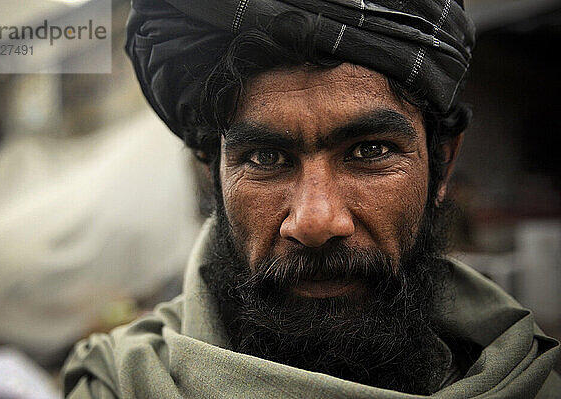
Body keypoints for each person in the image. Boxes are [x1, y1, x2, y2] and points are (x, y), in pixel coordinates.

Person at [62, 0, 561, 397]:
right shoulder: (121, 384)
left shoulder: (534, 381)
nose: (317, 221)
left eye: (370, 151)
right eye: (264, 159)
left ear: (443, 164)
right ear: (209, 175)